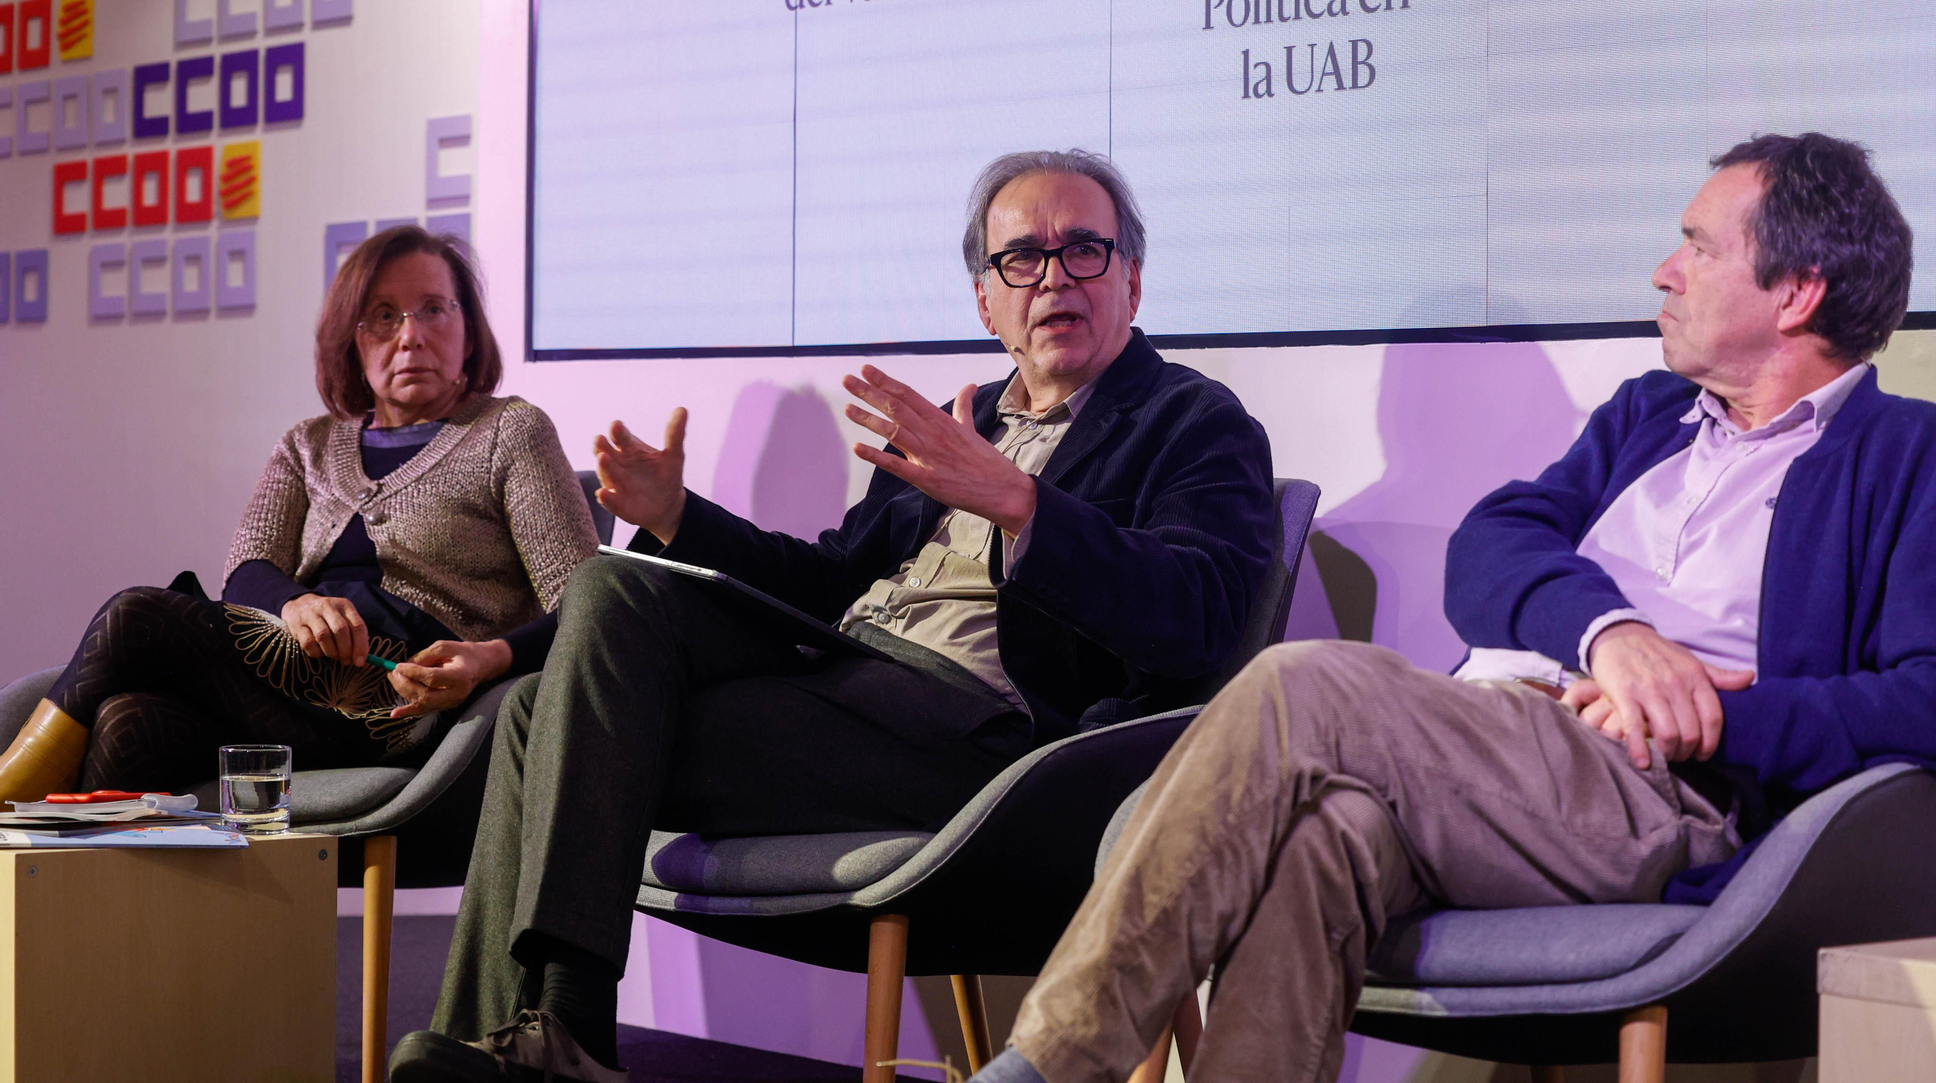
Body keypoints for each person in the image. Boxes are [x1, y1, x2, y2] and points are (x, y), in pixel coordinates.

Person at [964, 133, 1936, 1083]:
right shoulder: (1649, 416)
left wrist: (1723, 714)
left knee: (1301, 681)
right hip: (1489, 758)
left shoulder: (1911, 456)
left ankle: (1051, 1064)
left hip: (1659, 791)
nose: (1661, 270)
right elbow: (1490, 546)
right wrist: (1614, 633)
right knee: (1323, 840)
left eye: (1696, 245)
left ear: (1795, 289)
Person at [389, 150, 1277, 1083]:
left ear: (1131, 278)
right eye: (1023, 258)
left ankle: (562, 1039)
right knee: (585, 632)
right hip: (845, 689)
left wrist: (1023, 504)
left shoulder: (1193, 422)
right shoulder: (960, 421)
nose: (1054, 275)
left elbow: (1202, 615)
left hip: (987, 751)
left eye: (1085, 250)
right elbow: (827, 582)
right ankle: (530, 1046)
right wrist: (677, 519)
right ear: (987, 301)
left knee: (556, 718)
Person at [0, 226, 600, 800]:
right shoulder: (306, 444)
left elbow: (589, 604)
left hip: (407, 699)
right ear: (353, 340)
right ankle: (80, 905)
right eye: (384, 315)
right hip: (291, 683)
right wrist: (296, 604)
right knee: (128, 723)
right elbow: (247, 571)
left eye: (434, 309)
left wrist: (491, 657)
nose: (411, 335)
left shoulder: (511, 431)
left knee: (138, 615)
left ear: (469, 330)